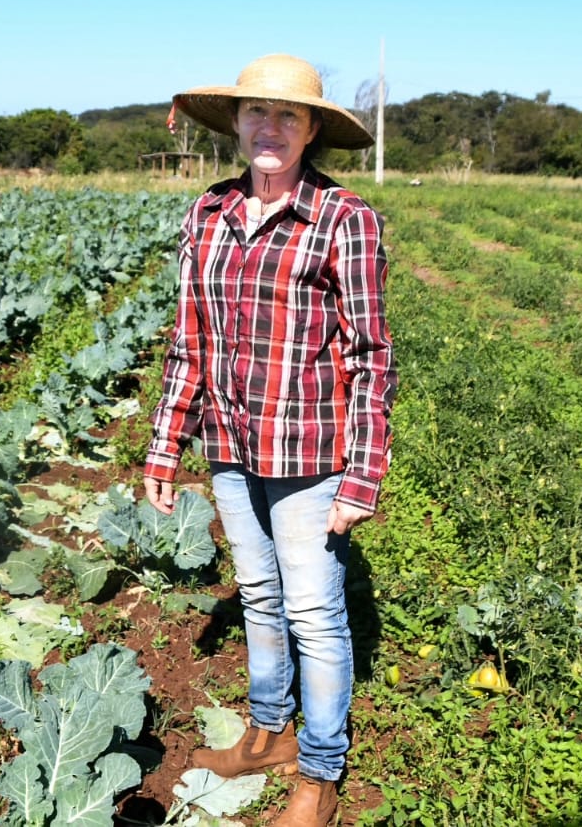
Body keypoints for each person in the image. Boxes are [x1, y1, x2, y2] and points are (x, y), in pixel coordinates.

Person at [144, 54, 396, 827]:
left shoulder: (343, 219)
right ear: (236, 124)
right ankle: (266, 732)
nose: (269, 127)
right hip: (230, 445)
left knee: (315, 614)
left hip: (310, 451)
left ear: (313, 129)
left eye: (288, 116)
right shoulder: (207, 213)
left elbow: (371, 356)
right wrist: (164, 445)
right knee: (259, 594)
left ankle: (317, 774)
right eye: (257, 112)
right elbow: (190, 341)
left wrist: (362, 479)